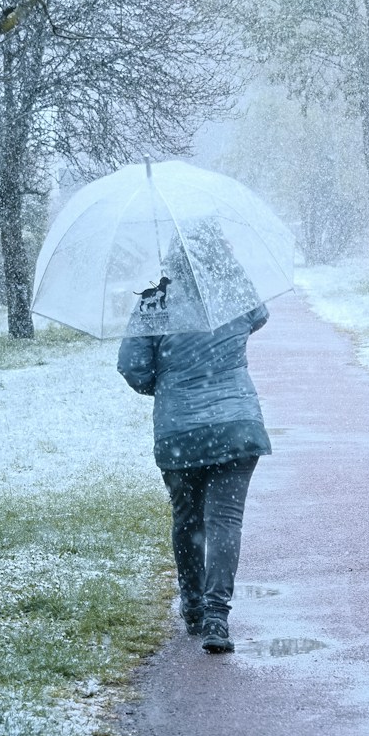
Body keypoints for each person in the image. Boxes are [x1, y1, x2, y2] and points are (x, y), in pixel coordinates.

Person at [116, 246, 271, 655]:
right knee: (225, 522)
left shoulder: (154, 301)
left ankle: (194, 605)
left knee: (188, 520)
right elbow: (259, 317)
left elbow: (132, 367)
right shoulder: (233, 289)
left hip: (179, 430)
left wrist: (166, 385)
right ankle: (217, 615)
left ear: (171, 255)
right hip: (237, 426)